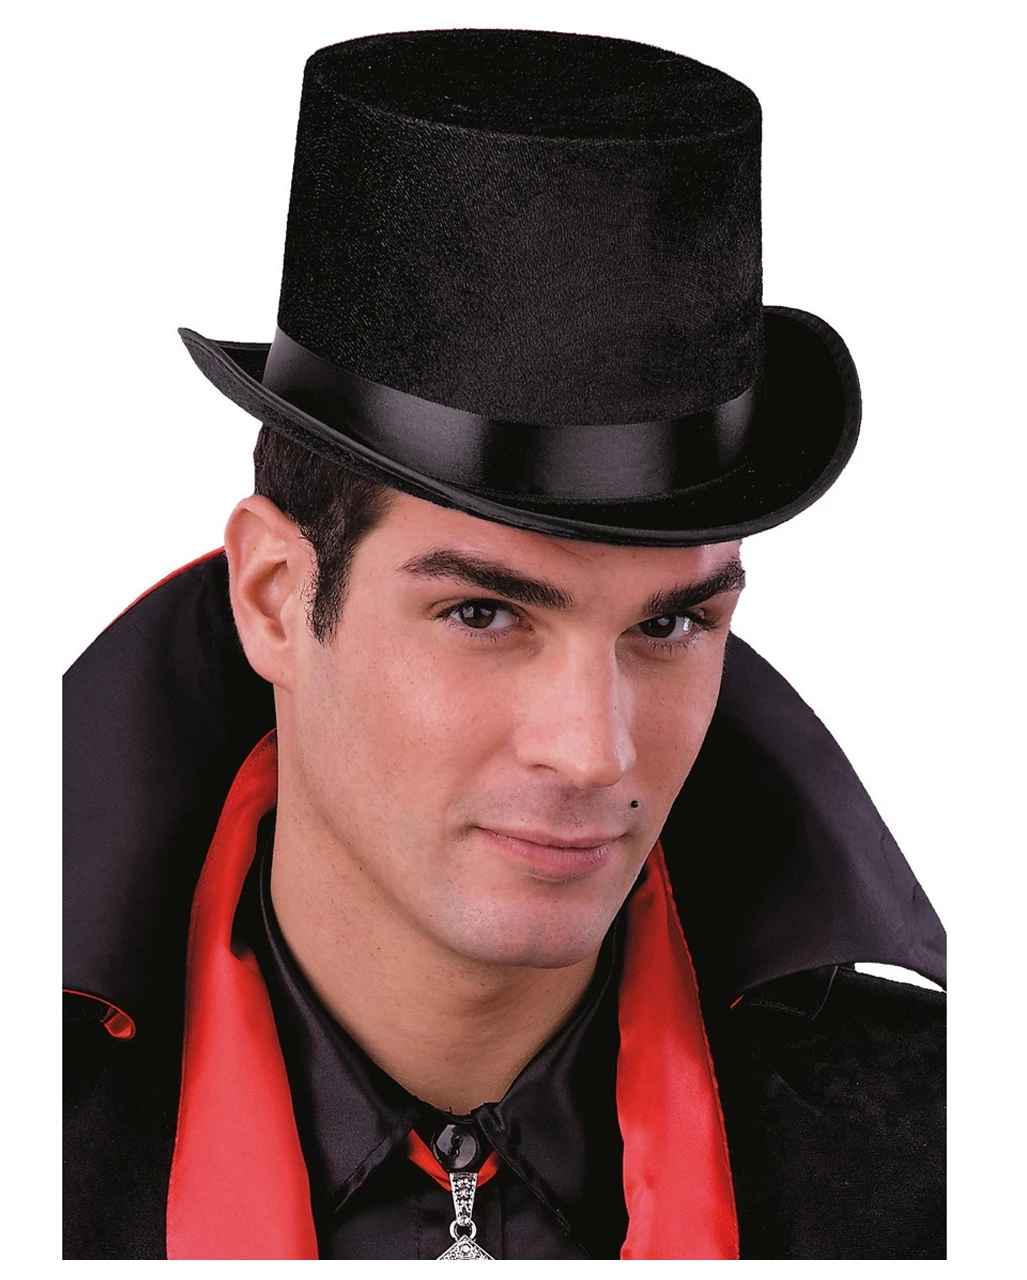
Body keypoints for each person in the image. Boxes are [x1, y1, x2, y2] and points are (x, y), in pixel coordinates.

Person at [63, 28, 945, 1260]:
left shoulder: (944, 1153)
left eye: (668, 624)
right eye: (484, 613)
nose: (592, 750)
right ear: (273, 597)